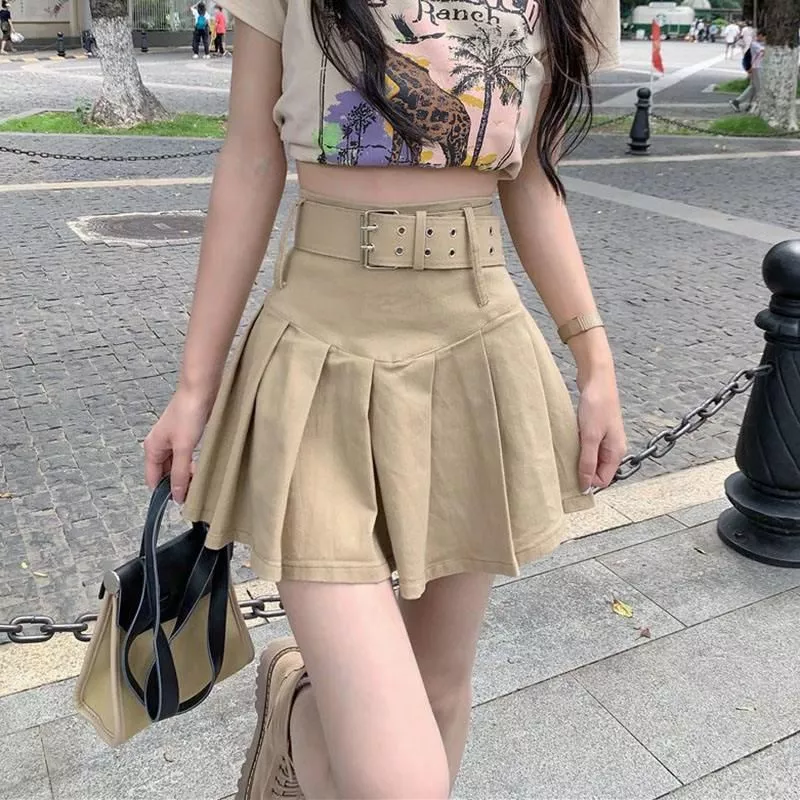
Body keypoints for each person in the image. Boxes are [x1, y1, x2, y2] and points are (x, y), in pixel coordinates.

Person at [144, 0, 626, 797]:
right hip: (316, 353)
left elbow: (533, 176)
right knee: (401, 780)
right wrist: (195, 387)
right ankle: (298, 709)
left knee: (436, 691)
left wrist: (593, 359)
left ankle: (300, 717)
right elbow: (251, 156)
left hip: (475, 348)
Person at [731, 30, 766, 112]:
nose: (764, 39)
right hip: (757, 67)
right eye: (764, 37)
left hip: (760, 68)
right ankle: (756, 106)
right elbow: (763, 51)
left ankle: (738, 102)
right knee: (760, 88)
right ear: (760, 35)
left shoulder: (762, 44)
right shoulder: (754, 44)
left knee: (753, 87)